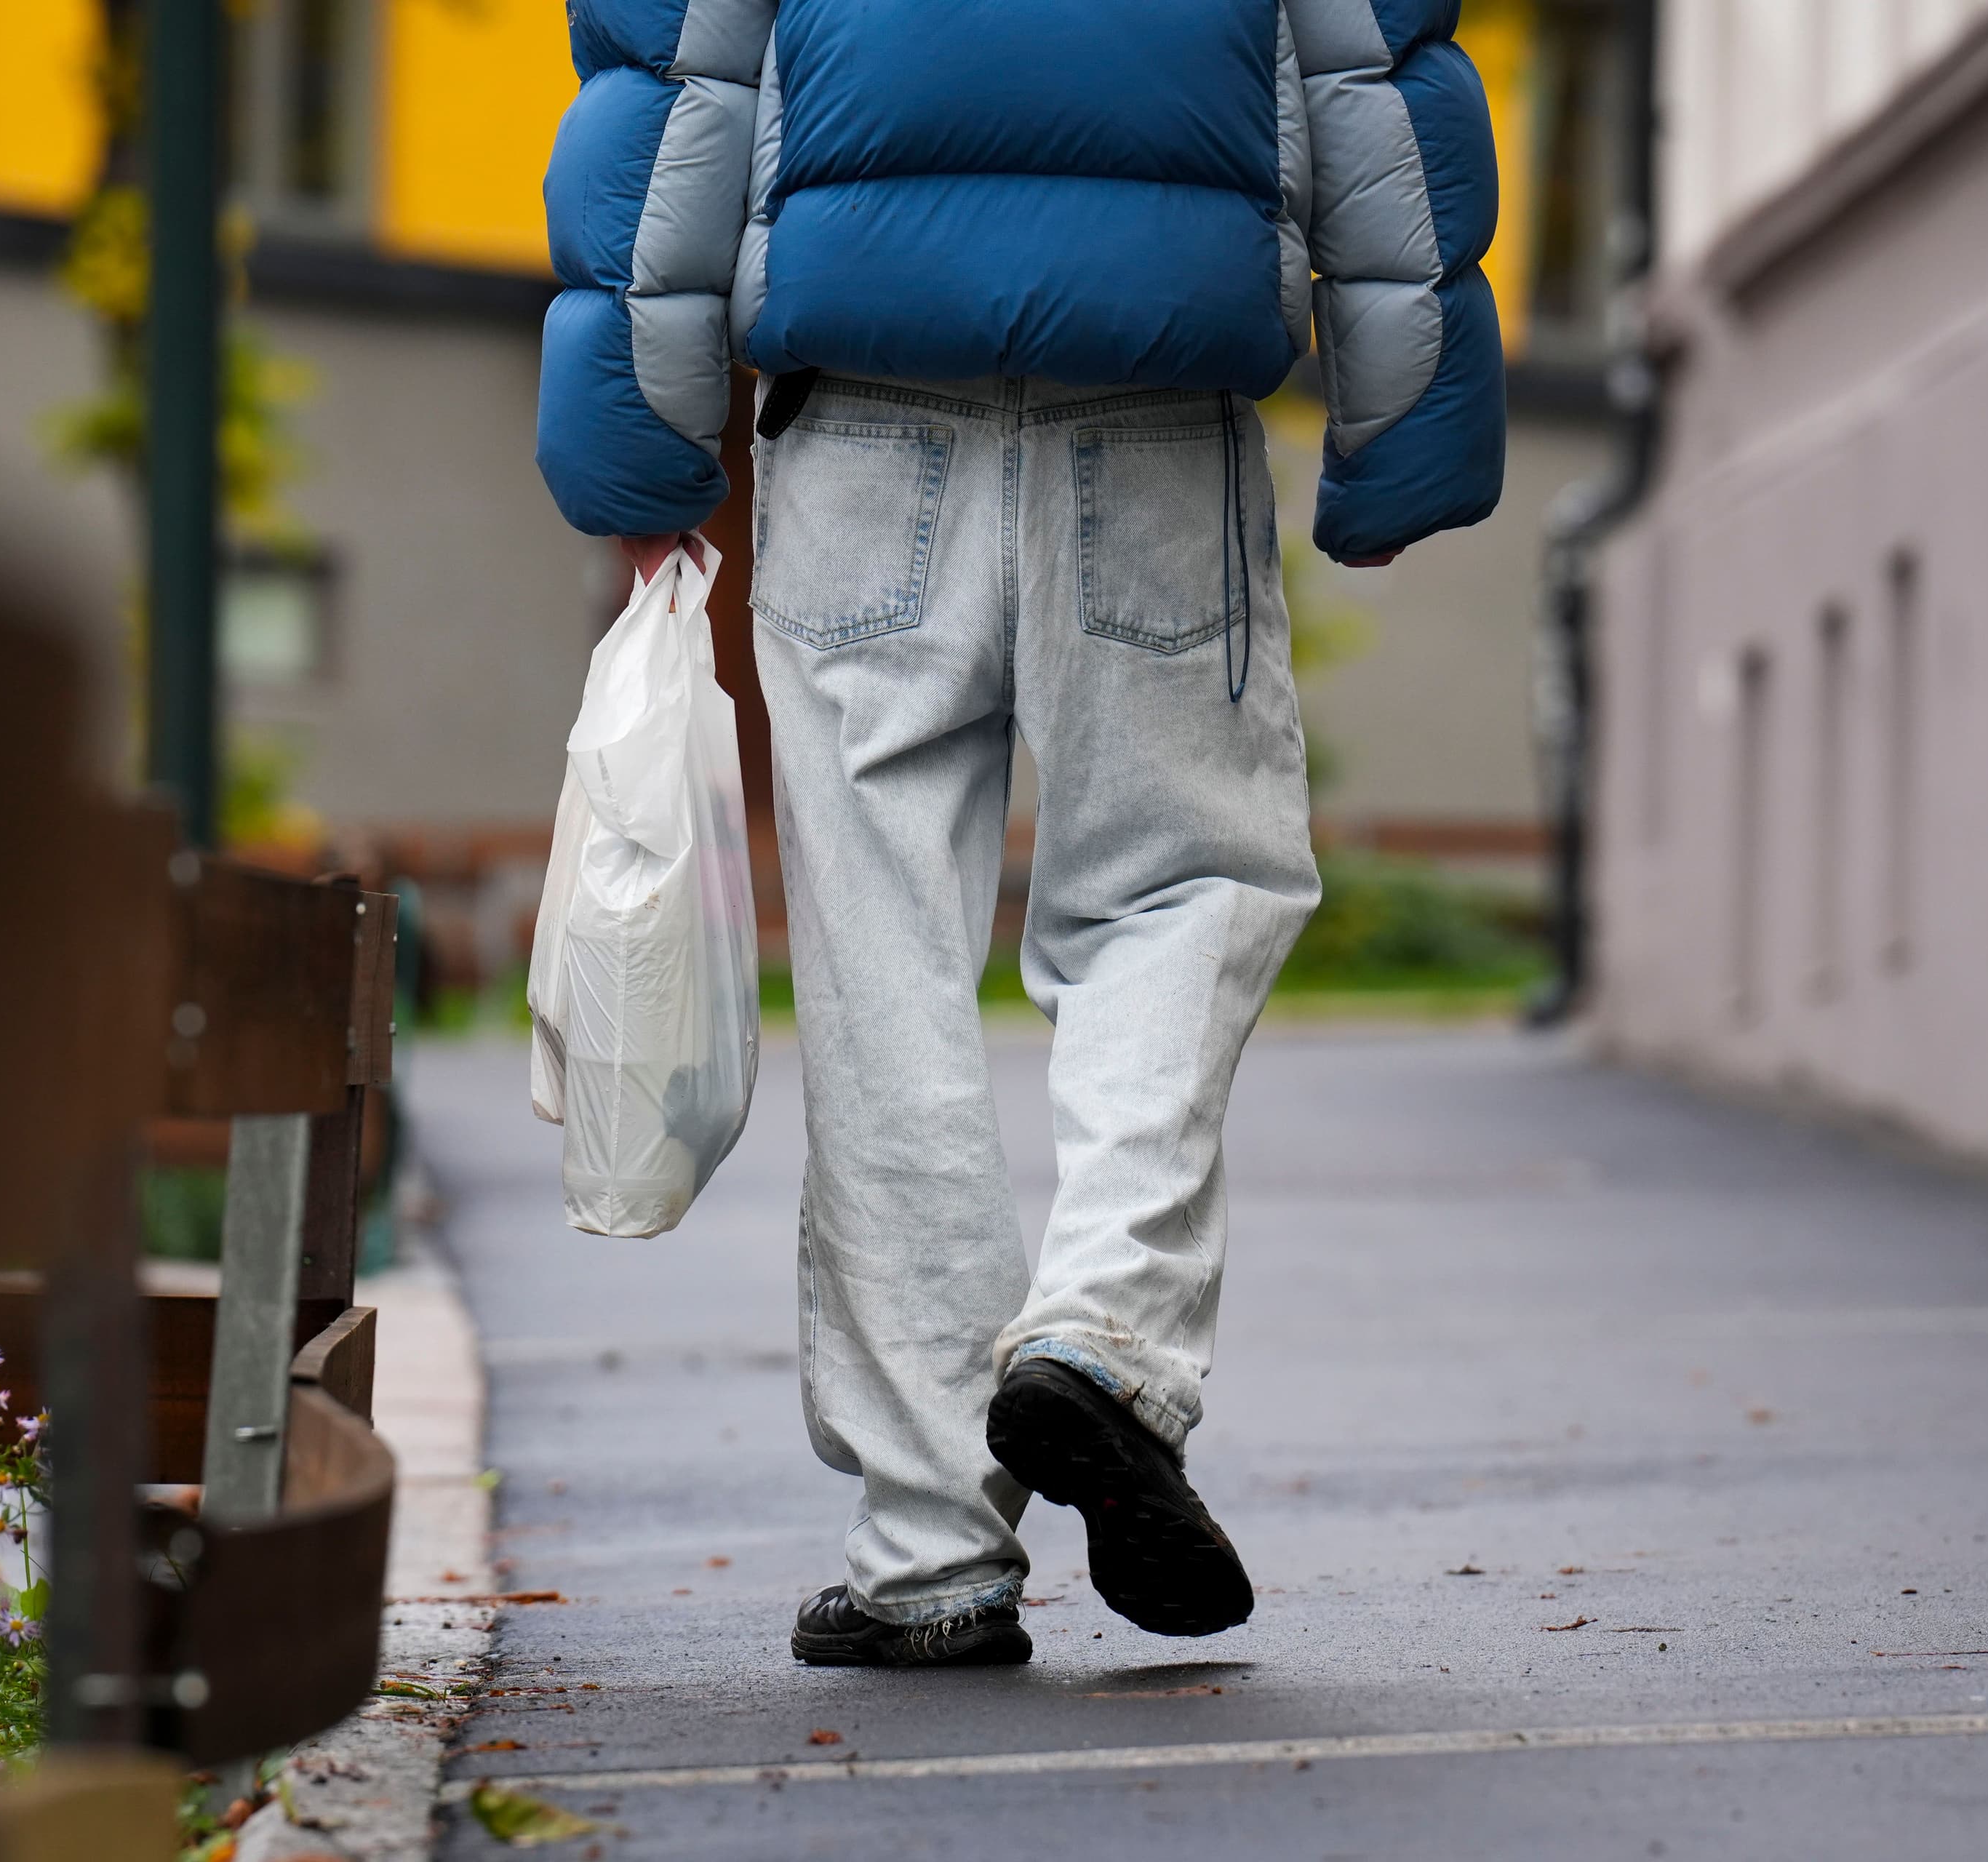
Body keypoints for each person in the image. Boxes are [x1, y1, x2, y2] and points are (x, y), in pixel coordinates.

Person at [535, 0, 1505, 1666]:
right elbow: (1373, 79)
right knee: (1185, 885)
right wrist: (1399, 427)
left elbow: (672, 86)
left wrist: (639, 441)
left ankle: (926, 1553)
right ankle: (1107, 1333)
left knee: (882, 963)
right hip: (1157, 401)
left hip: (856, 410)